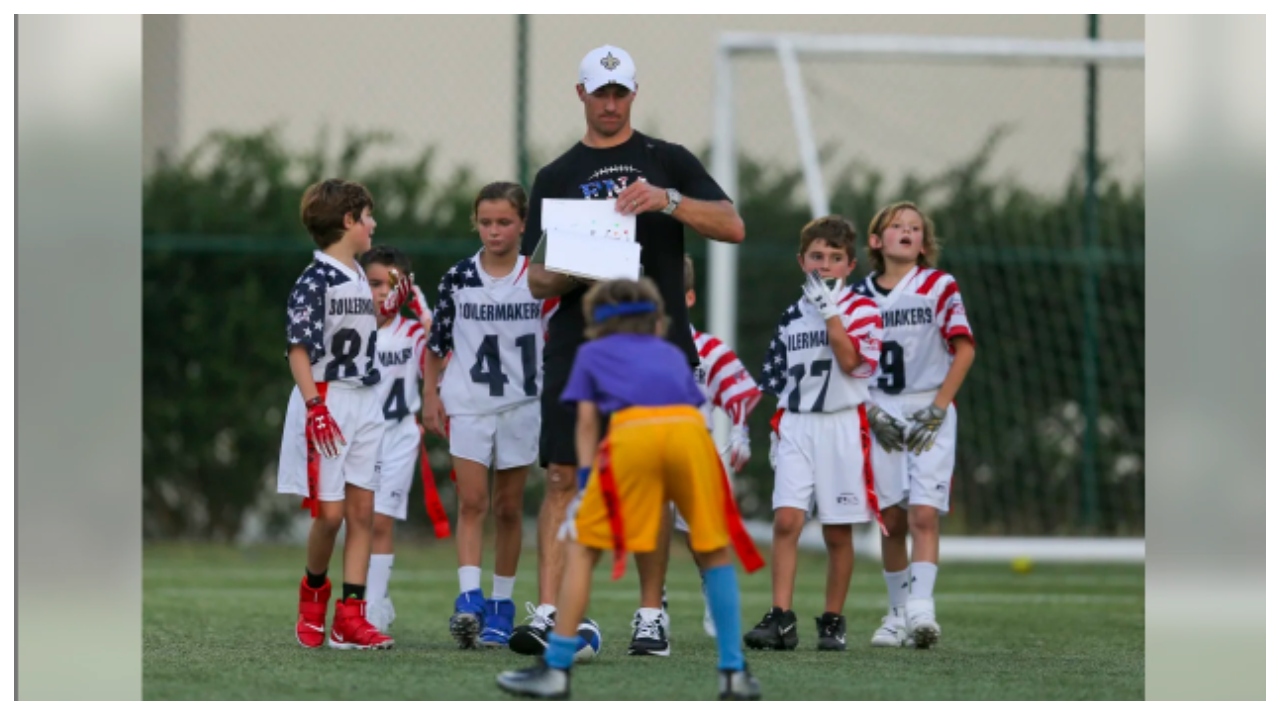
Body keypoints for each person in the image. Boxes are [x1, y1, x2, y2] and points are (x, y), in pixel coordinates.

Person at [511, 43, 746, 658]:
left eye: (620, 93)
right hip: (578, 344)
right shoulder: (555, 175)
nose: (610, 104)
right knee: (562, 473)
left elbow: (732, 224)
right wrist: (576, 264)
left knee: (658, 482)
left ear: (633, 95)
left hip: (658, 346)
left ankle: (650, 614)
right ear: (581, 94)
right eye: (600, 93)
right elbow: (534, 279)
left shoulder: (666, 160)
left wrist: (666, 199)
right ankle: (552, 611)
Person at [496, 278, 764, 701]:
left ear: (595, 323)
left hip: (633, 433)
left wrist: (586, 483)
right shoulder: (674, 353)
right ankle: (734, 671)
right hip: (692, 437)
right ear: (657, 322)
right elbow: (692, 411)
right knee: (713, 551)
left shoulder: (590, 352)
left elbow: (586, 424)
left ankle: (557, 669)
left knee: (583, 548)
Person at [747, 215, 901, 652]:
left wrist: (833, 313)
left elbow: (853, 363)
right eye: (817, 257)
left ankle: (832, 619)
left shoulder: (865, 310)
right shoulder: (792, 316)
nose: (825, 265)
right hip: (798, 422)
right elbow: (777, 378)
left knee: (837, 531)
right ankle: (780, 617)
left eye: (835, 258)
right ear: (802, 261)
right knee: (787, 520)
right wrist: (768, 428)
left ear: (850, 265)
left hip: (841, 424)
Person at [277, 178, 413, 650]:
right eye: (367, 216)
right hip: (328, 399)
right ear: (348, 221)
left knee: (362, 511)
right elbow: (299, 349)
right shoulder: (315, 279)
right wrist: (314, 406)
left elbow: (352, 333)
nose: (373, 224)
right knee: (330, 515)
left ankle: (350, 618)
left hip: (364, 400)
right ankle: (313, 592)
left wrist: (386, 310)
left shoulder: (358, 274)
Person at [423, 181, 546, 649]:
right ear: (475, 222)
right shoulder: (459, 277)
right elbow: (439, 344)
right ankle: (469, 598)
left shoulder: (539, 276)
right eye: (486, 222)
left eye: (504, 222)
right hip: (470, 403)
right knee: (472, 501)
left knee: (509, 508)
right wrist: (429, 395)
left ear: (522, 224)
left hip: (520, 405)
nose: (494, 232)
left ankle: (502, 604)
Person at [850, 201, 976, 650]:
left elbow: (964, 350)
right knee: (890, 518)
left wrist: (939, 407)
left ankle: (922, 608)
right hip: (880, 407)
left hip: (928, 406)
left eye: (915, 228)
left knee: (924, 510)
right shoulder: (857, 295)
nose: (906, 232)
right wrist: (869, 409)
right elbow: (849, 364)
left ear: (924, 243)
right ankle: (897, 612)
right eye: (896, 226)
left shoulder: (939, 286)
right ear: (875, 240)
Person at [669, 253, 762, 639]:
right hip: (644, 451)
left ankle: (711, 590)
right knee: (649, 529)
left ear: (689, 298)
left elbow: (740, 391)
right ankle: (653, 604)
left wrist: (741, 430)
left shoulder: (707, 349)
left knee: (701, 536)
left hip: (693, 452)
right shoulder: (635, 343)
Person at [358, 244, 439, 633]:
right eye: (373, 283)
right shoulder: (351, 329)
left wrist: (420, 305)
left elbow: (442, 348)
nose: (380, 292)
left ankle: (372, 605)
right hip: (359, 436)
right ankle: (361, 598)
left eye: (389, 284)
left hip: (399, 434)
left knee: (381, 522)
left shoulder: (410, 330)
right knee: (355, 520)